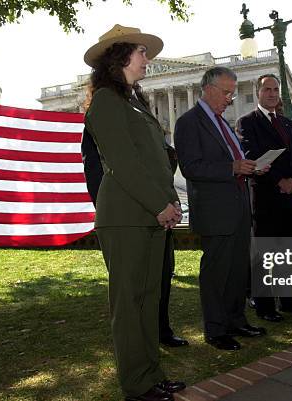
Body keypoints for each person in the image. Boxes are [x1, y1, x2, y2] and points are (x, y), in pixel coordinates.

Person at [83, 24, 185, 401]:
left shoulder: (133, 101)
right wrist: (160, 205)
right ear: (120, 56)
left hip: (148, 213)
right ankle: (137, 384)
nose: (148, 59)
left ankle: (152, 374)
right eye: (142, 52)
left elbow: (155, 161)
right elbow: (124, 163)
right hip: (126, 215)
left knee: (148, 300)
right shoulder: (107, 102)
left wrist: (169, 203)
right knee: (129, 305)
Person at [174, 66, 267, 351]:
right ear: (208, 88)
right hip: (215, 210)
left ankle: (236, 320)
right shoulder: (189, 122)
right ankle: (216, 329)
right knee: (217, 272)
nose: (230, 98)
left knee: (239, 268)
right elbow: (191, 167)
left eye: (232, 92)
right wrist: (233, 167)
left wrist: (251, 167)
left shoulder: (223, 122)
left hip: (238, 204)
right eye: (226, 92)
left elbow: (234, 159)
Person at [81, 127, 188, 348]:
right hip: (126, 216)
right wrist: (108, 209)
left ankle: (161, 329)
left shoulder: (143, 121)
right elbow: (94, 171)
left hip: (158, 211)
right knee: (132, 286)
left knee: (162, 274)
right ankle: (138, 343)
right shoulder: (102, 119)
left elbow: (166, 159)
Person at [237, 74, 292, 322]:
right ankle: (265, 306)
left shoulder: (289, 124)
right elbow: (252, 154)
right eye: (267, 89)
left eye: (275, 89)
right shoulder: (247, 122)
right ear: (258, 92)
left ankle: (290, 301)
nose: (272, 93)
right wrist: (280, 180)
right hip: (265, 196)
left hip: (290, 198)